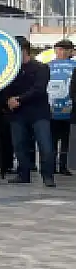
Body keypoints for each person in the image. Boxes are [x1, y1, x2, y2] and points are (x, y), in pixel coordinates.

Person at [4, 38, 55, 187]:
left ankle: (48, 175)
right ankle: (23, 173)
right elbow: (5, 89)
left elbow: (39, 89)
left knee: (45, 145)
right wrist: (8, 100)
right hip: (18, 113)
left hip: (38, 112)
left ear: (24, 50)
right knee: (19, 145)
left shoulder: (41, 68)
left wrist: (19, 99)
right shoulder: (10, 70)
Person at [50, 39, 74, 176]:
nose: (60, 52)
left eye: (62, 50)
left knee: (66, 141)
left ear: (70, 51)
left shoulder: (74, 66)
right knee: (53, 140)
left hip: (68, 110)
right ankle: (54, 165)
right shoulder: (48, 66)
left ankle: (62, 165)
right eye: (58, 49)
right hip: (53, 110)